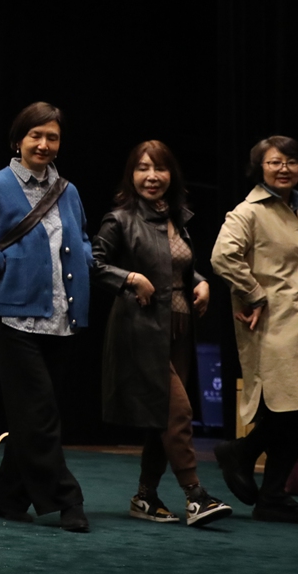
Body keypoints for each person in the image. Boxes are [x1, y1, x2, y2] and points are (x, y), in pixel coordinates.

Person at [0, 102, 93, 533]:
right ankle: (68, 499)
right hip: (14, 320)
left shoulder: (69, 190)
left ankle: (7, 497)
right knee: (40, 414)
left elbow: (81, 238)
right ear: (18, 140)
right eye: (36, 136)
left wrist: (85, 261)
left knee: (34, 416)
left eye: (52, 137)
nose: (44, 145)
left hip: (62, 318)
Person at [91, 141, 232, 526]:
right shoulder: (119, 219)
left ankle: (145, 498)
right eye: (142, 168)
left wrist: (201, 281)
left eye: (160, 169)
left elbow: (179, 265)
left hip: (179, 328)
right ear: (130, 175)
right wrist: (130, 278)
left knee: (162, 417)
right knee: (179, 410)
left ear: (172, 176)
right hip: (140, 329)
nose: (151, 176)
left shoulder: (177, 218)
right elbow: (94, 262)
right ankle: (195, 495)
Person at [211, 135, 298, 524]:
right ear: (259, 167)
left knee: (291, 410)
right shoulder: (248, 211)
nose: (285, 168)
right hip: (276, 324)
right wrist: (255, 295)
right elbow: (222, 257)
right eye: (275, 162)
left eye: (292, 162)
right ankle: (242, 455)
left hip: (294, 321)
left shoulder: (292, 209)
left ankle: (272, 496)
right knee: (288, 407)